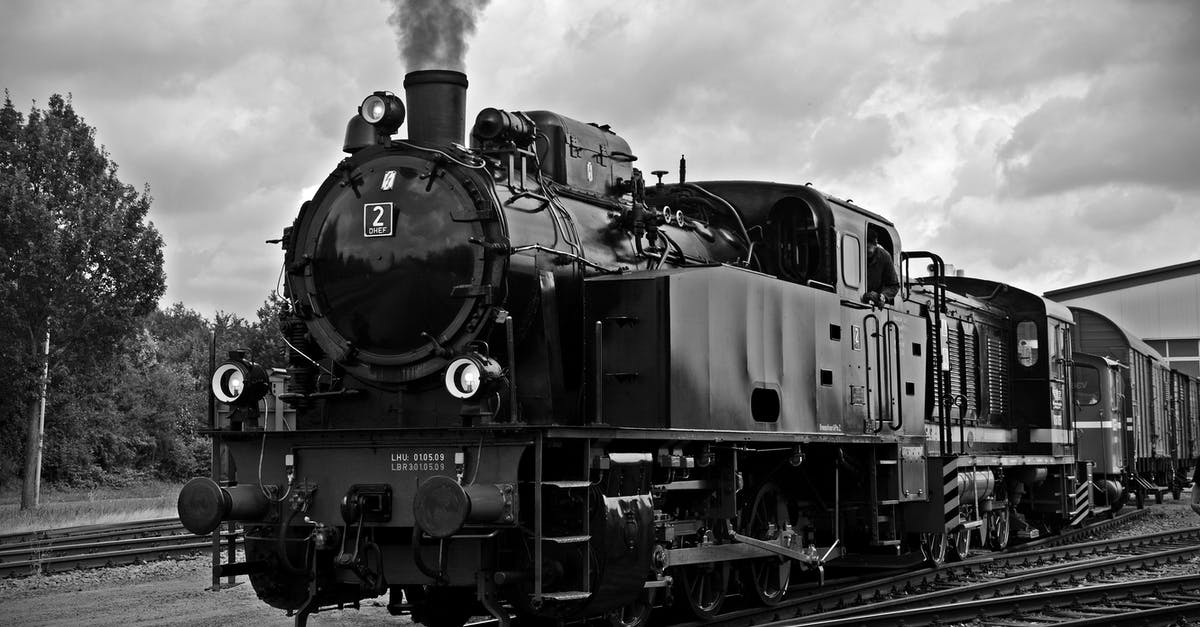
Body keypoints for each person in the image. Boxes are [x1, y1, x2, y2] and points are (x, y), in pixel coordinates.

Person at [862, 233, 899, 307]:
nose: (869, 252)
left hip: (871, 305)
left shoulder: (884, 257)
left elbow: (893, 285)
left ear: (876, 245)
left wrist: (881, 296)